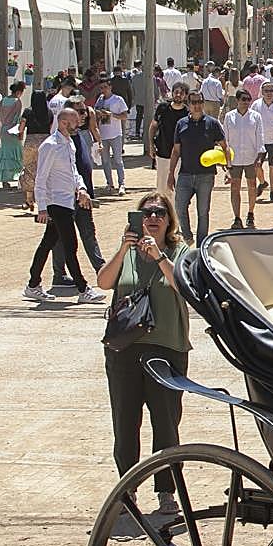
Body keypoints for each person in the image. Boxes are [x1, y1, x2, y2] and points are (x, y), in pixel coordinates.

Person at [96, 193, 190, 516]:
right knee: (125, 422)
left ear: (169, 219)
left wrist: (161, 257)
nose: (153, 217)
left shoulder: (180, 251)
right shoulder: (128, 252)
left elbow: (186, 286)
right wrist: (124, 248)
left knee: (166, 424)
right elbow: (103, 281)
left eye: (159, 212)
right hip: (125, 351)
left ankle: (166, 491)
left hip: (167, 350)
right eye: (146, 212)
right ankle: (127, 489)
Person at [24, 106, 105, 304]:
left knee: (47, 243)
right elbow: (41, 178)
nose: (78, 124)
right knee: (70, 245)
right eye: (75, 121)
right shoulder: (50, 146)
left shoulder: (69, 143)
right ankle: (83, 288)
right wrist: (42, 207)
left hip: (68, 200)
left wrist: (82, 189)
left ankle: (33, 285)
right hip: (56, 203)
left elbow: (73, 172)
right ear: (63, 122)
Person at [168, 89, 229, 246]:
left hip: (206, 176)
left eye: (200, 102)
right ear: (188, 105)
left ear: (203, 103)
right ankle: (187, 236)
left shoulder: (213, 124)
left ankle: (201, 245)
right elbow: (176, 151)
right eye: (193, 102)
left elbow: (224, 146)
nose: (197, 105)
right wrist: (170, 175)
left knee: (203, 212)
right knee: (180, 207)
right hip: (185, 174)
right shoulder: (181, 124)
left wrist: (228, 167)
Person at [222, 90, 266, 229]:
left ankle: (251, 213)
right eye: (243, 99)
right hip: (234, 159)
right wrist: (226, 162)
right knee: (234, 188)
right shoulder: (229, 117)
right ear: (237, 100)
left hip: (251, 158)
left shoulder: (256, 117)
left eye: (248, 99)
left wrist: (259, 158)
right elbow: (226, 141)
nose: (246, 102)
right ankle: (237, 217)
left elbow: (260, 138)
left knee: (252, 186)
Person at [148, 84, 188, 194]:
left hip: (181, 156)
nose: (178, 95)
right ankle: (163, 210)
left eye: (181, 93)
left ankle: (176, 211)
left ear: (185, 95)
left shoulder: (187, 113)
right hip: (163, 153)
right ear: (172, 93)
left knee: (179, 188)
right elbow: (153, 126)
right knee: (161, 187)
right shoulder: (163, 108)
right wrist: (151, 145)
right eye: (176, 92)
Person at [251, 80, 273, 203]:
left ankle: (272, 191)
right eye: (266, 91)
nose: (269, 93)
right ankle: (262, 182)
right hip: (259, 140)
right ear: (262, 92)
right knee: (257, 166)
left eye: (271, 91)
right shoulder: (256, 105)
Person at [18, 88, 53, 210]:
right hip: (46, 142)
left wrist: (19, 134)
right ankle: (45, 200)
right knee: (45, 169)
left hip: (31, 142)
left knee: (29, 169)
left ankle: (29, 200)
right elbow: (50, 127)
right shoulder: (49, 112)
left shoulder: (27, 111)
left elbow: (21, 128)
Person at [94, 75, 129, 195]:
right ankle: (109, 183)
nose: (103, 90)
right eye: (101, 88)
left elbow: (124, 115)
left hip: (115, 134)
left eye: (105, 87)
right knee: (105, 161)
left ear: (110, 87)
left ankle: (122, 184)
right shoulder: (100, 100)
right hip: (103, 135)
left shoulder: (117, 100)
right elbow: (95, 114)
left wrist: (112, 115)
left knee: (118, 160)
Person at [0, 81, 25, 186]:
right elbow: (17, 119)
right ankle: (15, 177)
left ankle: (5, 179)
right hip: (13, 130)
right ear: (19, 91)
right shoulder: (17, 101)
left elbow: (0, 116)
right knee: (16, 154)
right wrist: (20, 132)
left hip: (4, 129)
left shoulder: (3, 100)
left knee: (5, 154)